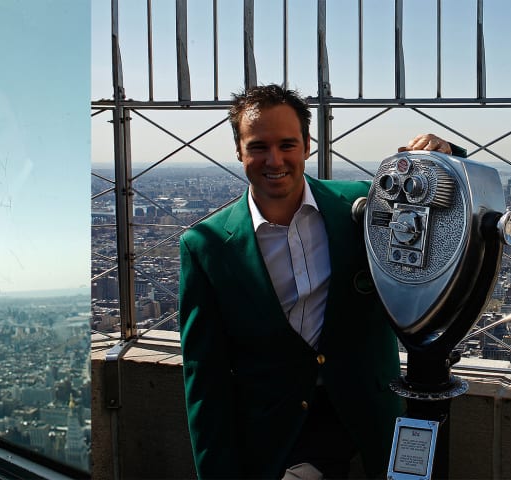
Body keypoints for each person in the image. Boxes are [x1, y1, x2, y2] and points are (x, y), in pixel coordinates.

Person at [178, 84, 465, 479]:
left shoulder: (361, 208)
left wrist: (444, 154)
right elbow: (204, 375)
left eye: (287, 144)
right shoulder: (205, 247)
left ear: (308, 145)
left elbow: (451, 209)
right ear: (239, 151)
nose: (274, 159)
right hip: (280, 431)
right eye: (258, 146)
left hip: (372, 412)